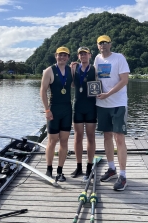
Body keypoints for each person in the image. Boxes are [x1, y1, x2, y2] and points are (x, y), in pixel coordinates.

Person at [93, 35, 130, 191]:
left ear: (110, 44)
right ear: (98, 46)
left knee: (119, 137)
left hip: (118, 104)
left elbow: (124, 80)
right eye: (100, 43)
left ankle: (123, 175)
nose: (103, 45)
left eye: (105, 42)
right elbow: (94, 77)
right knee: (107, 136)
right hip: (102, 104)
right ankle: (111, 168)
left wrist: (108, 94)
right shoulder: (96, 59)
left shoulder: (119, 58)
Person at [40, 46, 73, 182]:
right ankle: (49, 170)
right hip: (54, 110)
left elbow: (79, 83)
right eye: (60, 55)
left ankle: (60, 171)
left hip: (67, 110)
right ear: (56, 56)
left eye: (65, 55)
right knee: (52, 141)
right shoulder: (49, 71)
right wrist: (47, 110)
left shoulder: (71, 70)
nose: (62, 57)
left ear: (68, 58)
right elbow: (42, 91)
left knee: (64, 141)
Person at [70, 47, 97, 181]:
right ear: (78, 56)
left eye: (85, 54)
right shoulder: (74, 68)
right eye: (81, 54)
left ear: (90, 55)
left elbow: (102, 84)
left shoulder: (95, 69)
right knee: (78, 137)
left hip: (91, 107)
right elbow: (70, 84)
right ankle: (79, 166)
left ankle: (89, 167)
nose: (83, 56)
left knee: (91, 137)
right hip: (78, 106)